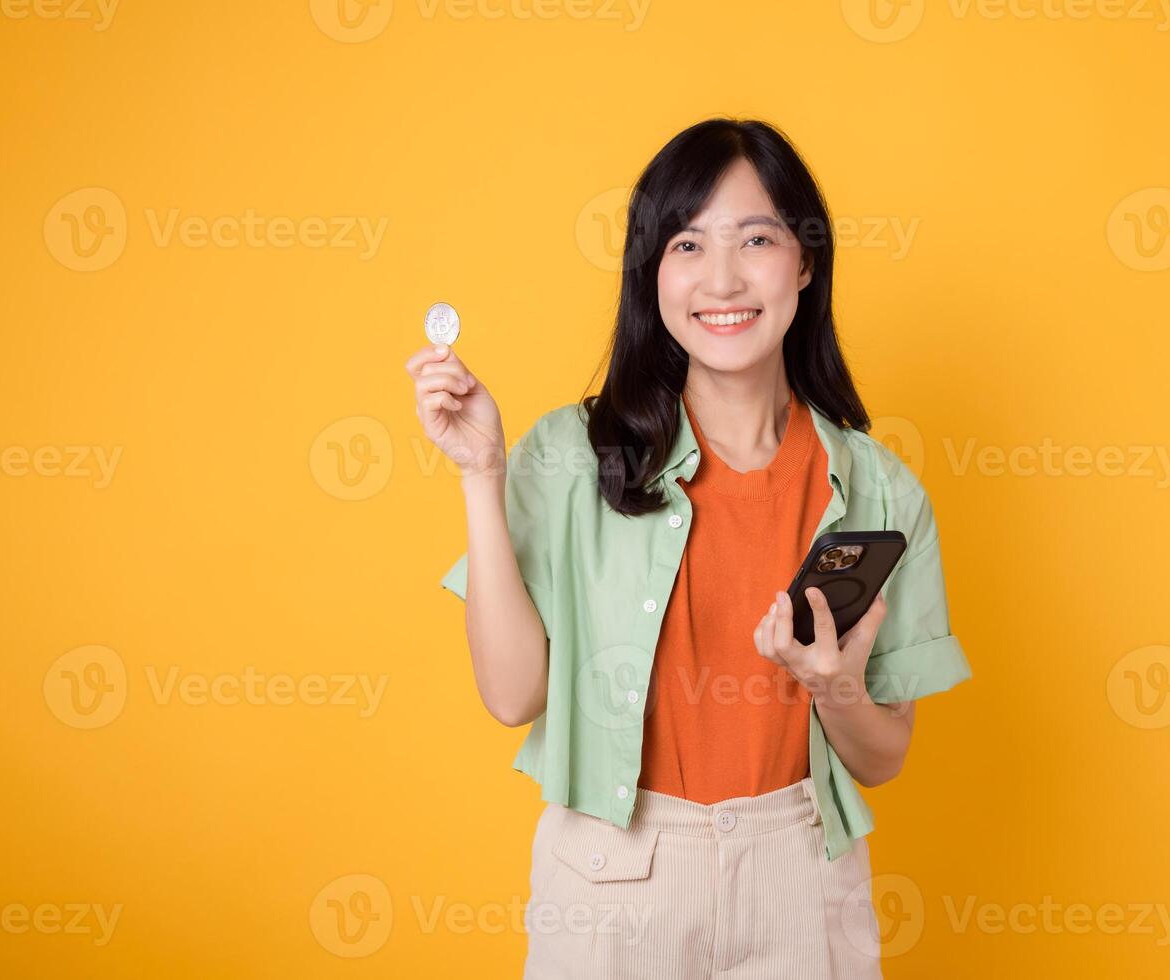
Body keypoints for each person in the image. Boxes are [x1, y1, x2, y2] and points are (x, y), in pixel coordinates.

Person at [405, 117, 972, 978]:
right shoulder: (569, 455)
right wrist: (481, 472)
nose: (722, 279)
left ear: (805, 262)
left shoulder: (882, 489)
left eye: (756, 239)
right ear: (653, 273)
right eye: (686, 244)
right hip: (613, 876)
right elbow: (513, 695)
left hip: (800, 878)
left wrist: (836, 687)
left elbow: (884, 757)